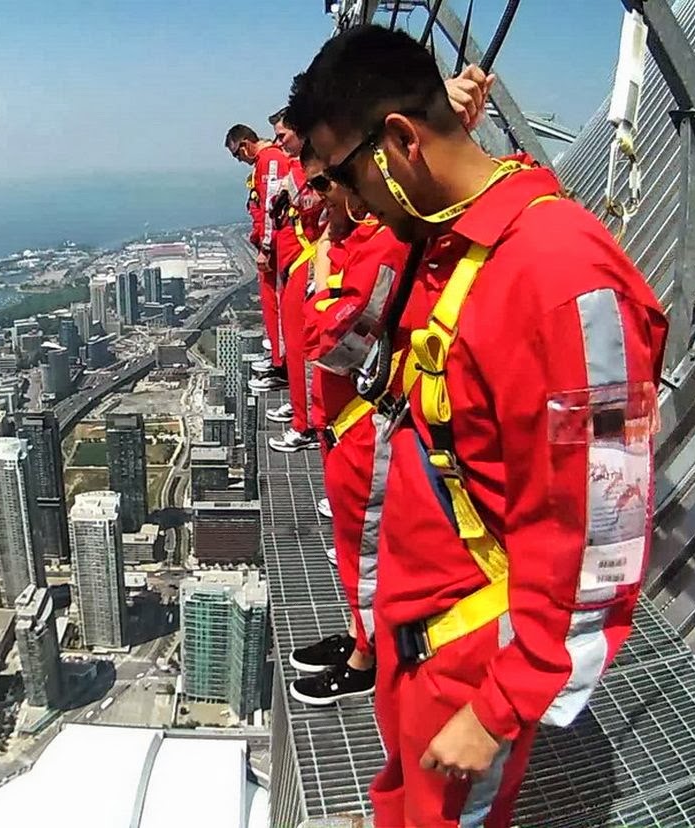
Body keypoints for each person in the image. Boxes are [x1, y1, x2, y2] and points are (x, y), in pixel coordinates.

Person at [290, 25, 668, 828]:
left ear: (400, 142)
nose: (344, 201)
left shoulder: (564, 279)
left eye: (344, 175)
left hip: (472, 644)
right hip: (420, 624)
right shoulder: (447, 244)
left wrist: (501, 707)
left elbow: (602, 526)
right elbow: (363, 327)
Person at [285, 69, 494, 706]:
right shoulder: (363, 236)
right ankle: (361, 635)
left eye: (331, 180)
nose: (324, 195)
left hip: (366, 422)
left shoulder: (382, 242)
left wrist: (324, 271)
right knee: (355, 547)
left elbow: (335, 342)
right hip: (348, 422)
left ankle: (367, 654)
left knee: (369, 548)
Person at [264, 108, 324, 453]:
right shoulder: (298, 168)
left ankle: (308, 423)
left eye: (283, 135)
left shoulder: (312, 169)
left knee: (303, 346)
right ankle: (304, 414)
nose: (278, 143)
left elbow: (312, 207)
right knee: (296, 344)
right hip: (297, 262)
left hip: (307, 263)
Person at [225, 124, 292, 390]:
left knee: (277, 304)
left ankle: (282, 363)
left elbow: (269, 209)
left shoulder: (269, 160)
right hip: (275, 246)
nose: (239, 160)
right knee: (271, 304)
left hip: (277, 249)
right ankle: (278, 357)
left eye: (236, 154)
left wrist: (265, 247)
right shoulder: (266, 161)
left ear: (244, 145)